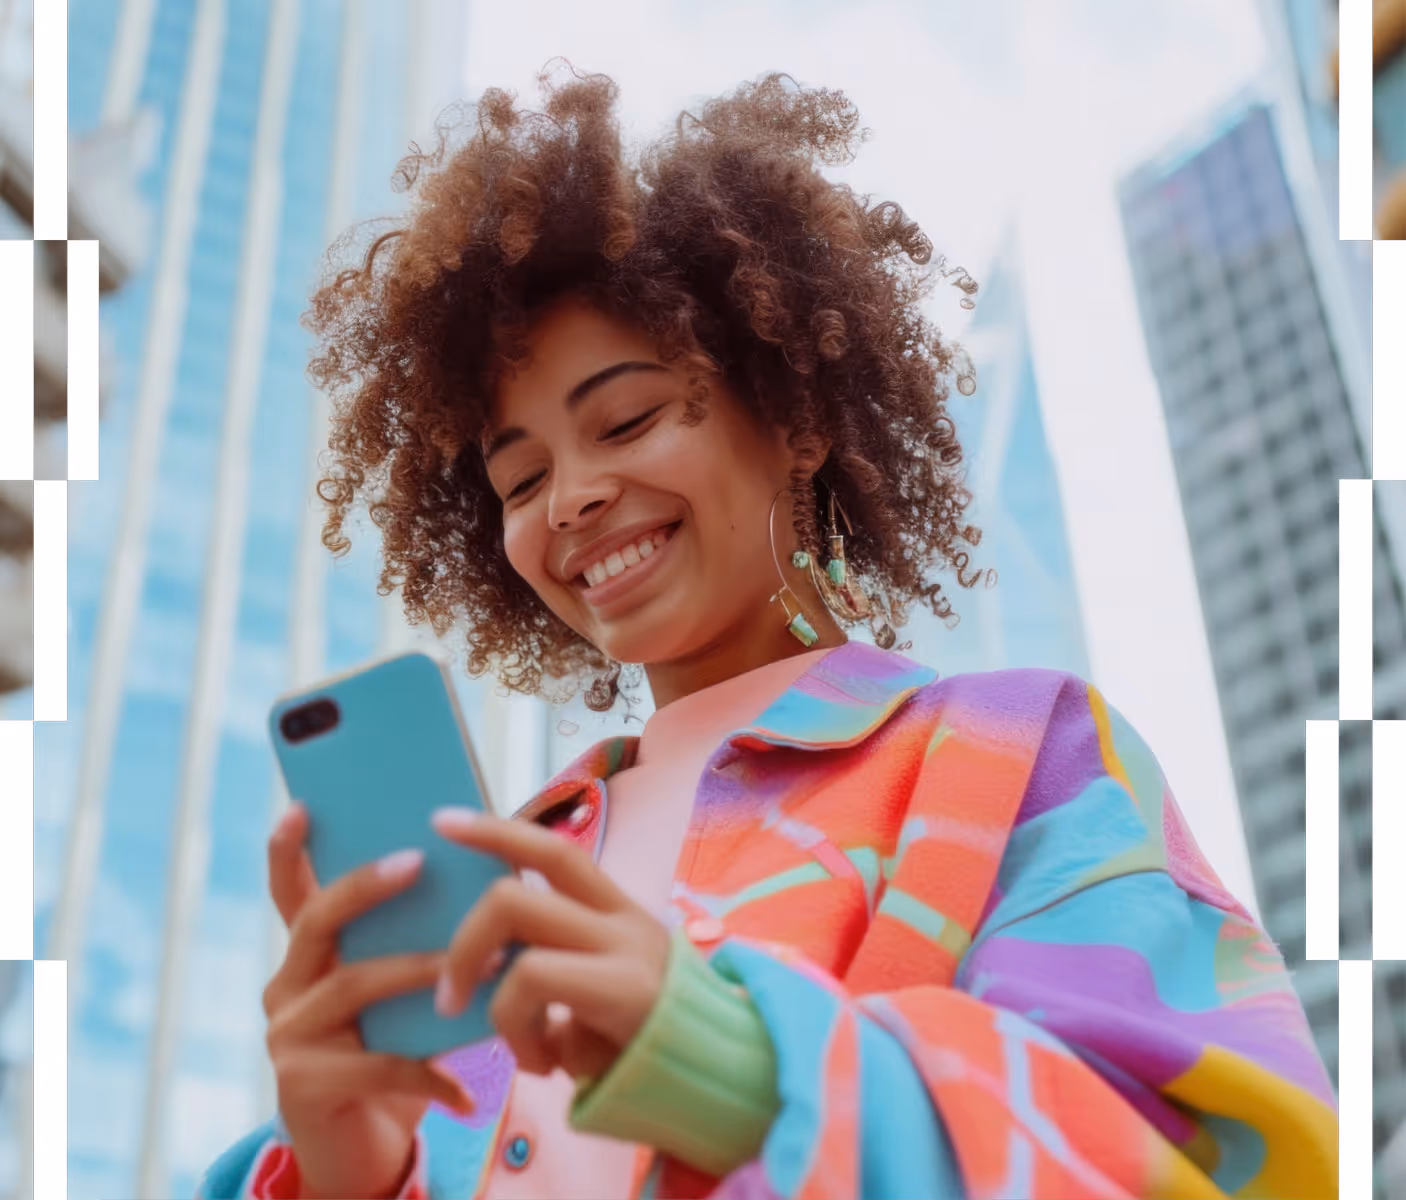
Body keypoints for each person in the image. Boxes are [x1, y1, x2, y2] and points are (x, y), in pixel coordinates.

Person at [197, 65, 1337, 1200]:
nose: (568, 499)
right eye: (520, 478)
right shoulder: (504, 871)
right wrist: (351, 1175)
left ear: (791, 421)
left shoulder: (1017, 753)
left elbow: (1207, 1158)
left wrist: (739, 1070)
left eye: (627, 418)